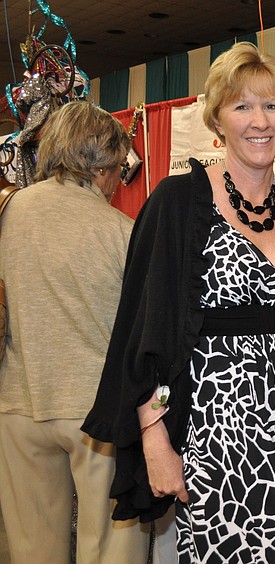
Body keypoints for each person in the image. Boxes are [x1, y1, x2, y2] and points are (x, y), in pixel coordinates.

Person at [82, 42, 275, 563]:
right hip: (214, 439)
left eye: (271, 105)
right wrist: (154, 439)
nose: (259, 120)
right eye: (242, 106)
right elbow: (142, 332)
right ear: (217, 118)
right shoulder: (177, 204)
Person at [0, 101, 149, 563]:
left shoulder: (8, 212)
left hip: (17, 404)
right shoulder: (124, 232)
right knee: (110, 546)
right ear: (103, 162)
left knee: (29, 548)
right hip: (97, 413)